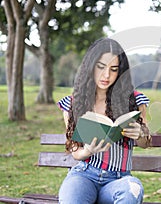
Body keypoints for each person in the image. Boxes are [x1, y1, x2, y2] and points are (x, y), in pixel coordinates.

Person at [57, 38, 152, 203]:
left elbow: (146, 144)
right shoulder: (74, 103)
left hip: (118, 179)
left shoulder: (134, 100)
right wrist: (88, 151)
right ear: (90, 66)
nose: (106, 75)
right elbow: (76, 153)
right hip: (84, 176)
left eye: (114, 69)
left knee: (133, 189)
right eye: (101, 67)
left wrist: (140, 135)